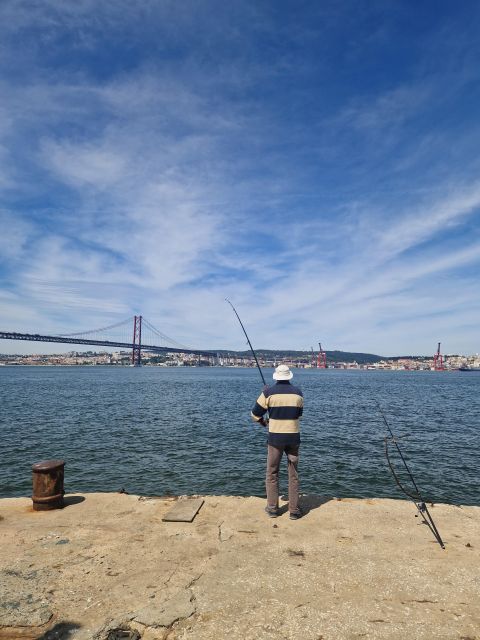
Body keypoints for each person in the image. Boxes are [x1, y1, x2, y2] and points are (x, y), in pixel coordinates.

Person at [251, 364, 304, 520]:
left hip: (275, 439)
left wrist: (263, 421)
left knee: (272, 472)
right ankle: (294, 511)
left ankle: (273, 508)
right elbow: (299, 415)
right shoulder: (298, 393)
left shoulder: (268, 392)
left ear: (276, 377)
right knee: (293, 474)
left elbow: (255, 414)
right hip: (293, 438)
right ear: (289, 376)